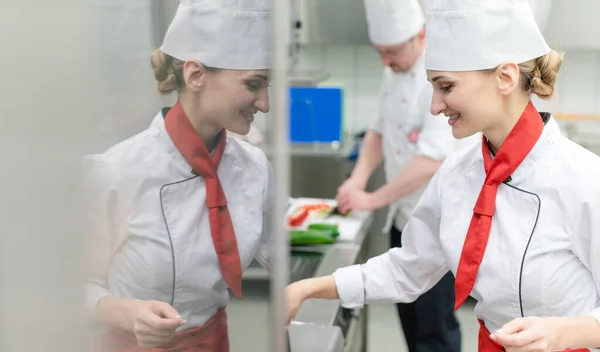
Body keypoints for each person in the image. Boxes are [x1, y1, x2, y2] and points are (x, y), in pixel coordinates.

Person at [287, 0, 600, 351]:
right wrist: (309, 287)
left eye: (446, 87)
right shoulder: (457, 174)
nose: (434, 106)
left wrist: (564, 333)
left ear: (505, 77)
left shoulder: (585, 180)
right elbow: (408, 269)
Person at [83, 1, 273, 351]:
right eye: (253, 84)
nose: (264, 103)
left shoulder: (254, 167)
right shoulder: (116, 172)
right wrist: (127, 313)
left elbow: (277, 254)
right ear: (195, 75)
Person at [336, 0, 468, 350]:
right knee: (409, 320)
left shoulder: (438, 78)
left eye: (391, 52)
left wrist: (373, 198)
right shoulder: (391, 72)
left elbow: (431, 159)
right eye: (379, 52)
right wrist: (357, 179)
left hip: (437, 226)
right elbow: (377, 131)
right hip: (403, 219)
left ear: (420, 36)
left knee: (434, 328)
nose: (385, 61)